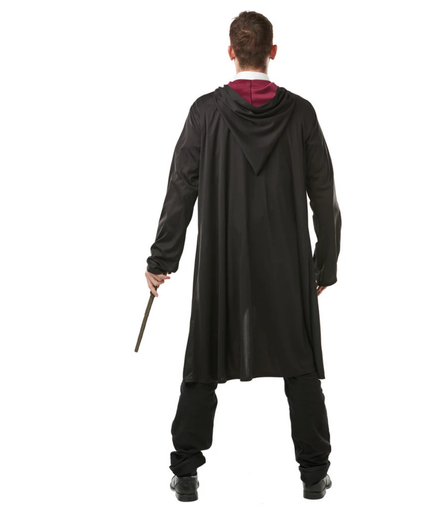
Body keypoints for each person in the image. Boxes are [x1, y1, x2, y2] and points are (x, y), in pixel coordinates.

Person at [144, 10, 341, 501]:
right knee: (300, 364)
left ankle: (186, 473)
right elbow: (325, 196)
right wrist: (325, 262)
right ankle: (314, 475)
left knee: (203, 359)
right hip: (286, 265)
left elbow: (181, 188)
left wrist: (161, 259)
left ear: (231, 52)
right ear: (272, 52)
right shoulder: (301, 114)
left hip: (221, 264)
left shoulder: (205, 113)